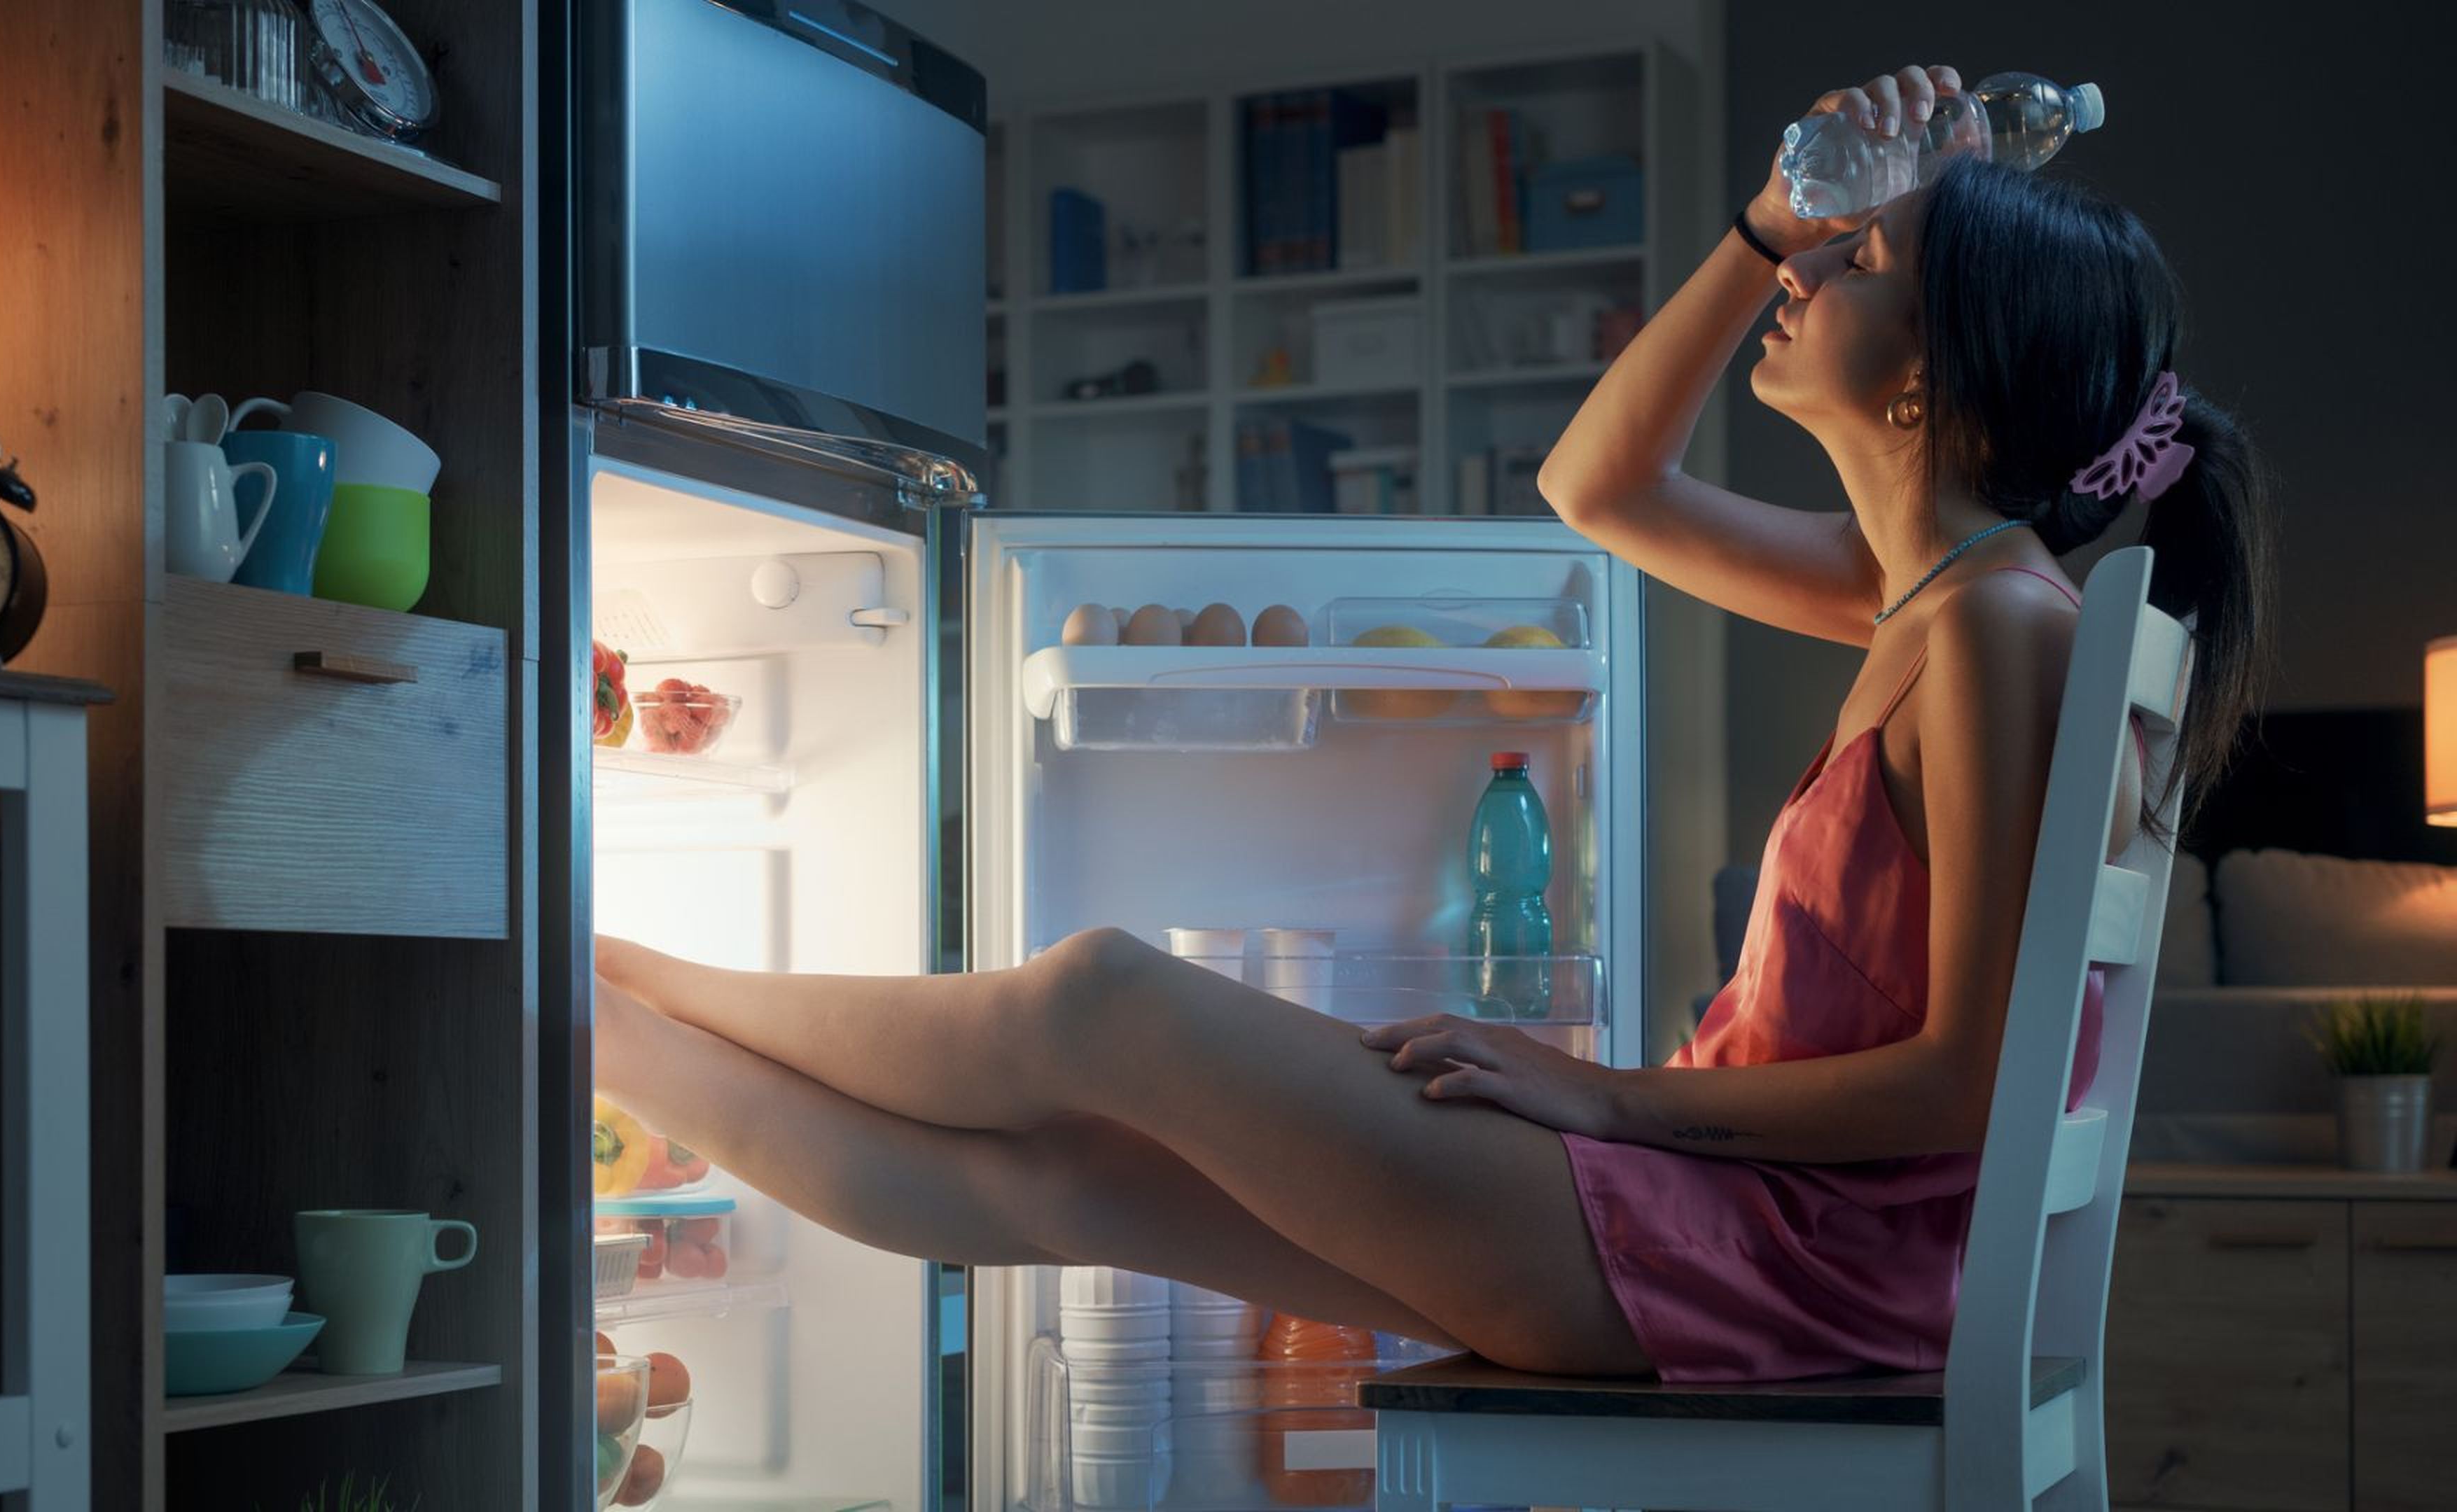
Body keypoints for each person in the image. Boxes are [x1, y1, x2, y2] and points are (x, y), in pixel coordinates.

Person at [594, 63, 2272, 1382]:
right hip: (1749, 1233)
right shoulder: (1935, 596)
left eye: (1858, 259)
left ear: (1929, 378)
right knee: (1068, 1179)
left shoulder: (1992, 628)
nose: (1812, 265)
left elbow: (1968, 1084)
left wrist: (1604, 1100)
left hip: (1780, 1259)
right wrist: (1761, 225)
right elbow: (1593, 484)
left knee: (1098, 997)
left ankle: (595, 981)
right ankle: (590, 1018)